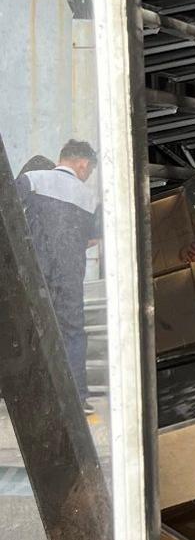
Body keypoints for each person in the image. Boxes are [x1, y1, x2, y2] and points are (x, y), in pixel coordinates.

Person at [14, 139, 100, 400]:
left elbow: (9, 216)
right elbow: (93, 239)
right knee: (72, 332)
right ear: (83, 165)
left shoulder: (32, 179)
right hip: (70, 275)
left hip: (34, 271)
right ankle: (77, 396)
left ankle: (25, 392)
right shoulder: (91, 199)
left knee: (27, 328)